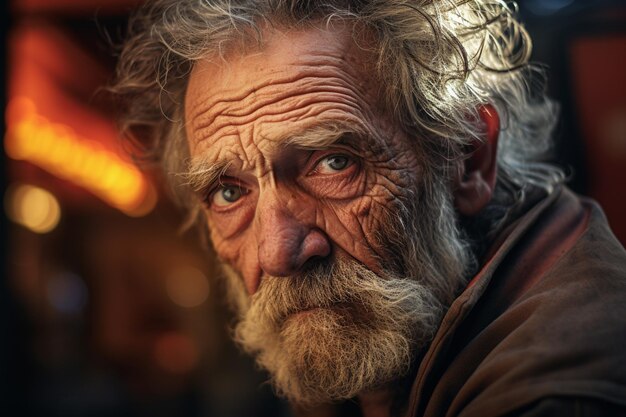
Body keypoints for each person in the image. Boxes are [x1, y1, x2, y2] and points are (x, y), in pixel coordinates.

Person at [111, 1, 626, 416]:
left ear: (469, 156)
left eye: (333, 163)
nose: (276, 251)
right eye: (228, 192)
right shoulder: (375, 353)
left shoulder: (558, 394)